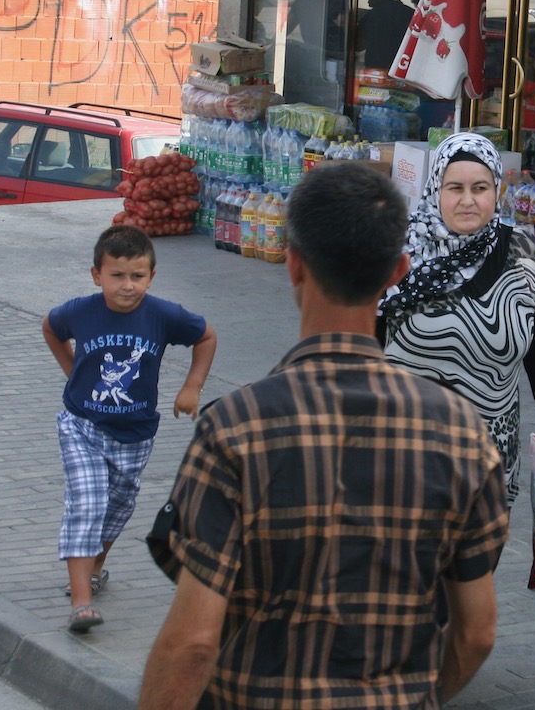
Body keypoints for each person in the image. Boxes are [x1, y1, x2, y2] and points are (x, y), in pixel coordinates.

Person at [139, 162, 508, 709]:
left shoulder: (234, 429)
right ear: (399, 271)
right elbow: (476, 634)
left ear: (293, 265)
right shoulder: (463, 436)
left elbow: (194, 643)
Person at [378, 132, 535, 505]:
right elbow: (358, 348)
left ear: (497, 190)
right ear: (435, 189)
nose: (468, 200)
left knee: (476, 563)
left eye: (480, 187)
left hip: (488, 466)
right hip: (399, 460)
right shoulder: (397, 252)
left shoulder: (524, 253)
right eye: (454, 187)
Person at [42, 224, 216, 634]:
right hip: (81, 425)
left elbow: (205, 336)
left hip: (136, 435)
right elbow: (50, 328)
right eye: (116, 276)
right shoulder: (79, 311)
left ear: (151, 277)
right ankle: (81, 601)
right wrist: (72, 372)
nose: (127, 286)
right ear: (96, 274)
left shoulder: (163, 315)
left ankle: (95, 569)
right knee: (86, 503)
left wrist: (192, 387)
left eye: (137, 276)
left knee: (116, 509)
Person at [359, 0, 415, 69]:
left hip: (376, 76)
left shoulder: (372, 16)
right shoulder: (410, 14)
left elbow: (358, 45)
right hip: (401, 74)